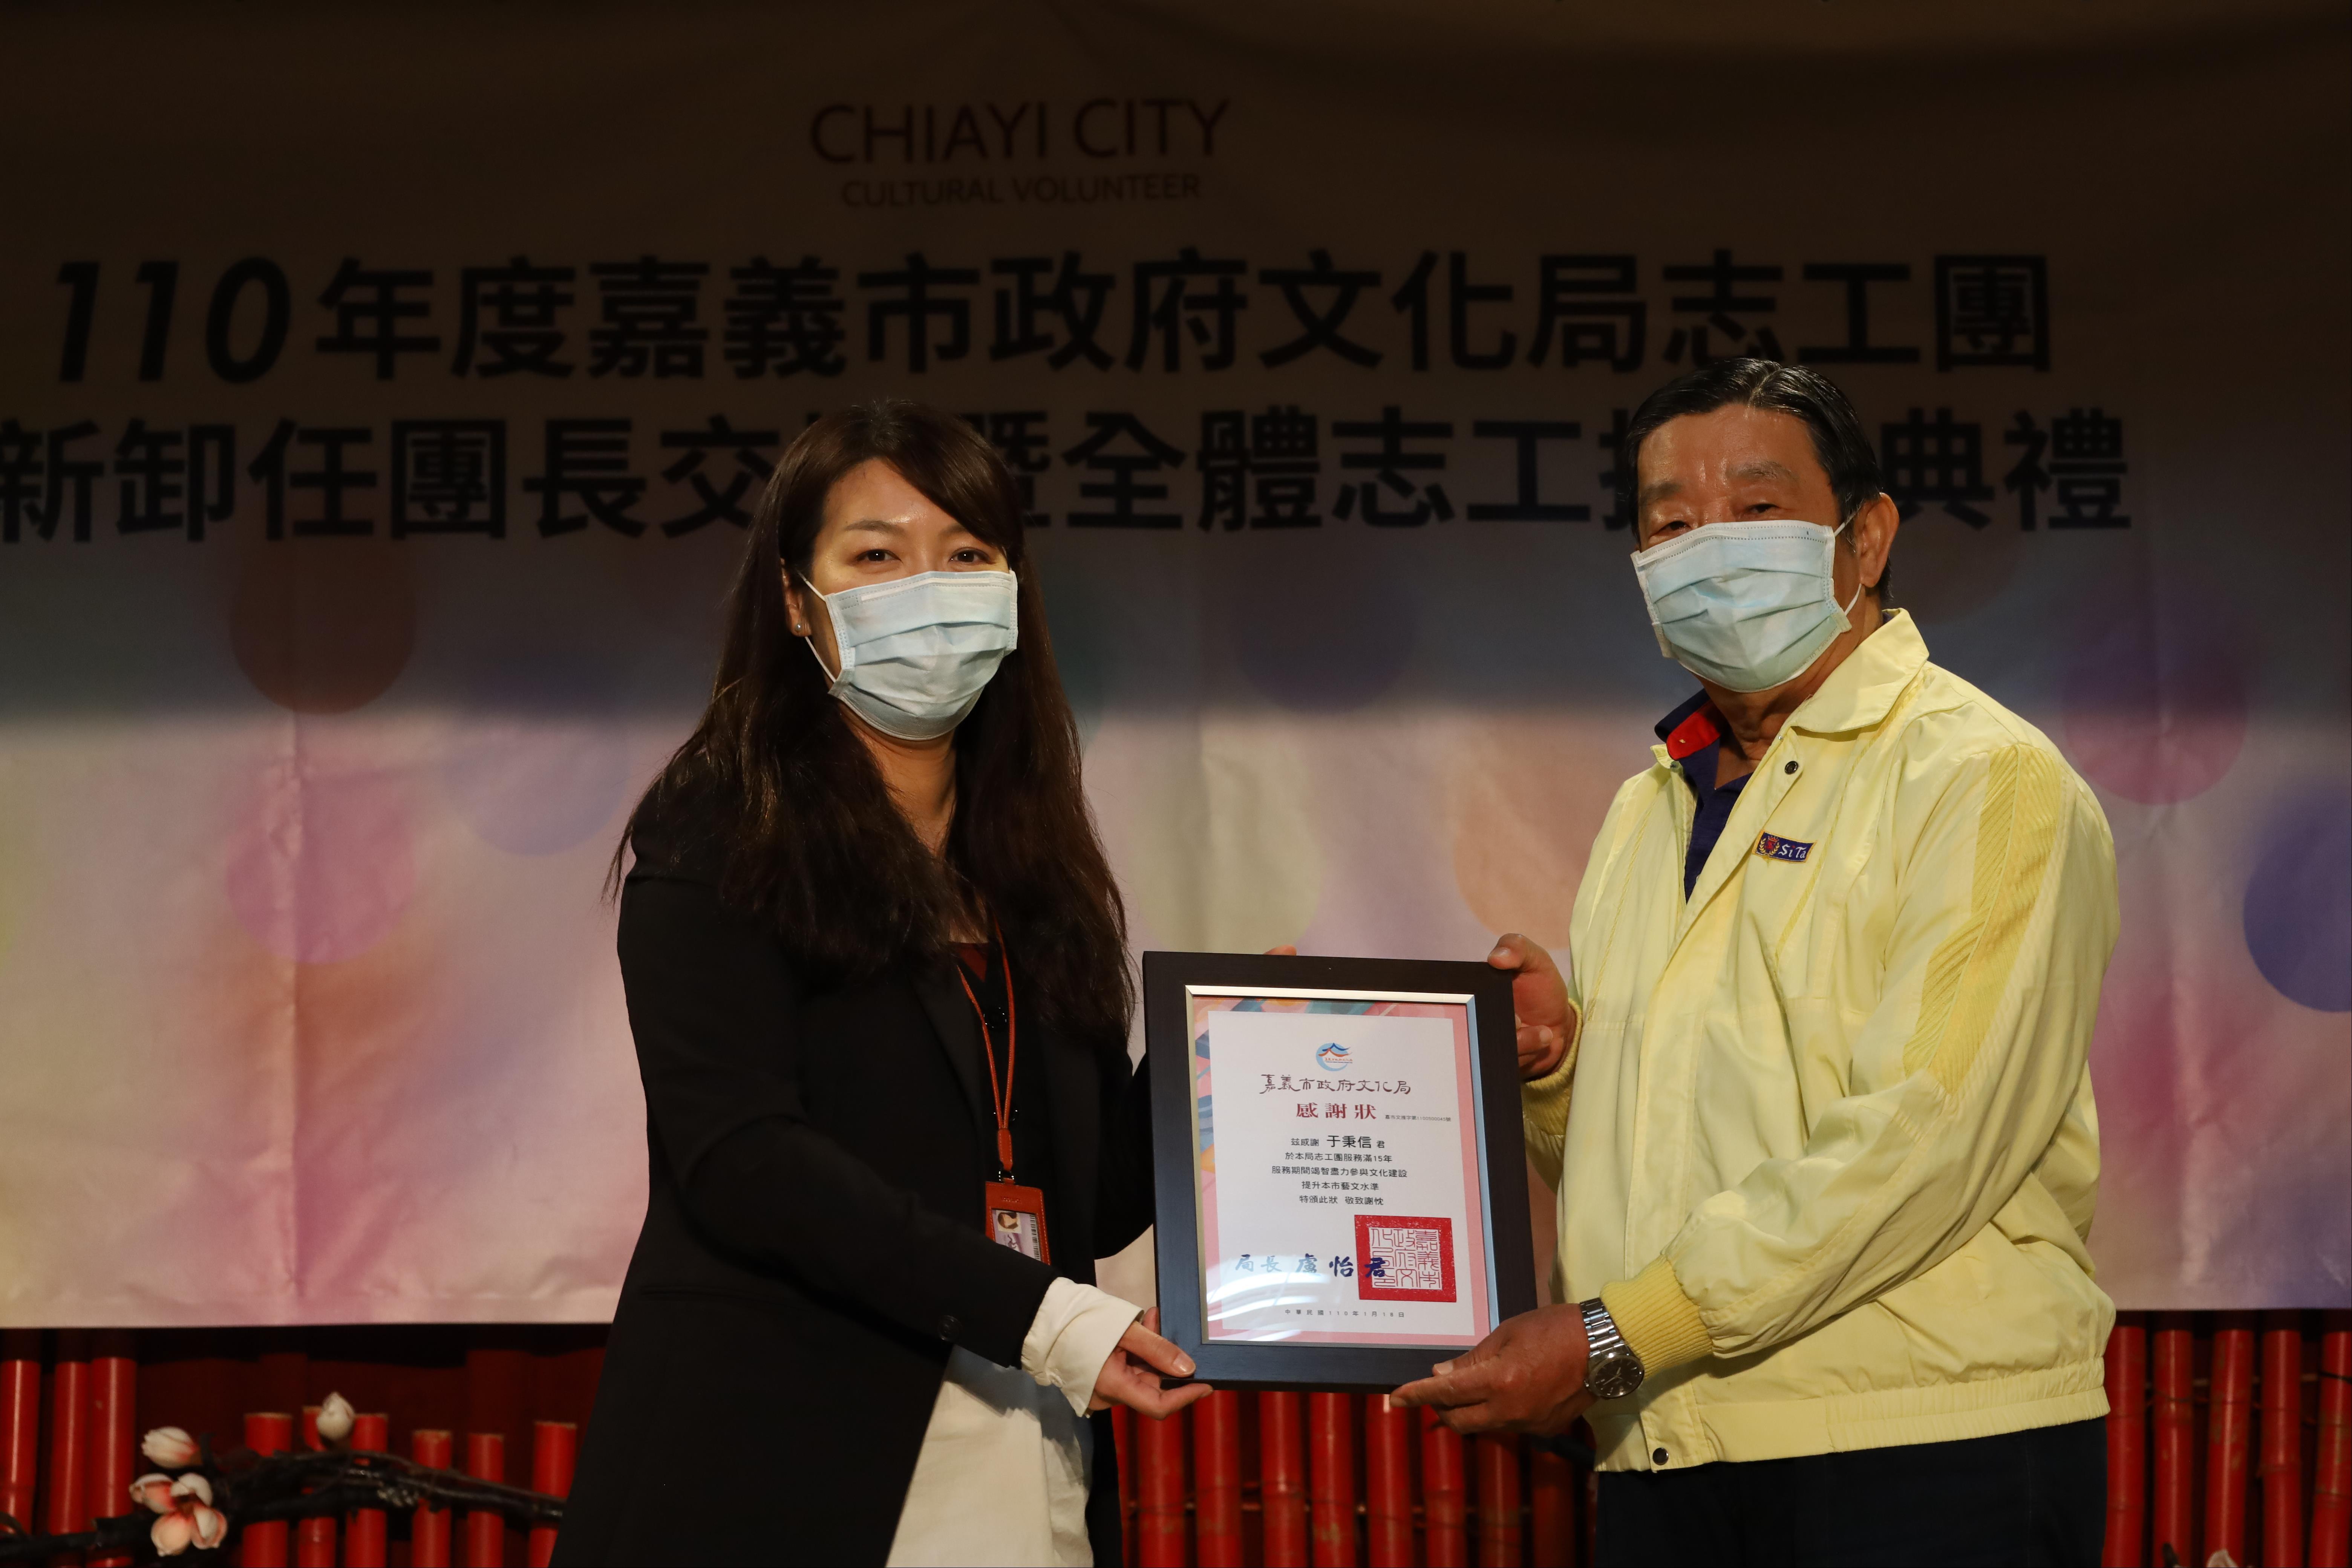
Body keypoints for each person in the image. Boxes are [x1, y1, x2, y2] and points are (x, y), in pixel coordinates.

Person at [1392, 360, 2119, 1567]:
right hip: (1672, 1442)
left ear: (1866, 538)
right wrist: (1563, 1074)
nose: (1711, 548)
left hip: (1921, 1449)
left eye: (1757, 508)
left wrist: (1615, 1336)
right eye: (1672, 523)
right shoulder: (1650, 807)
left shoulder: (1984, 778)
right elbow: (1657, 1163)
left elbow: (1924, 1139)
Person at [554, 401, 1209, 1568]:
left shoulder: (1036, 863)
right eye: (876, 555)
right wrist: (1042, 1316)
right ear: (796, 600)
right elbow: (743, 1159)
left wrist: (1232, 1056)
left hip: (1031, 1458)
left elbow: (1091, 1201)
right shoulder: (722, 826)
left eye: (967, 554)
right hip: (785, 1468)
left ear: (1012, 592)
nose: (929, 589)